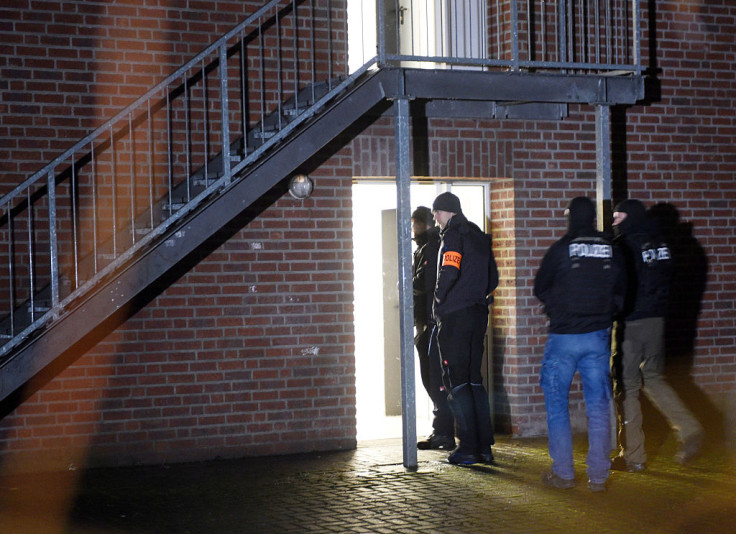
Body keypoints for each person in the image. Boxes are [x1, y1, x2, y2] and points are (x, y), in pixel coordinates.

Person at [534, 197, 626, 492]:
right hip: (598, 335)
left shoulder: (562, 248)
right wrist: (608, 311)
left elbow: (540, 286)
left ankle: (564, 473)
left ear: (571, 217)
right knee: (599, 407)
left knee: (557, 404)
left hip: (563, 336)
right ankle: (598, 477)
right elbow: (624, 288)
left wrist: (556, 308)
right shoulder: (611, 248)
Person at [610, 199, 703, 472]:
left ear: (630, 217)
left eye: (618, 216)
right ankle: (689, 428)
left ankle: (633, 455)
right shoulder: (661, 244)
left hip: (631, 323)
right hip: (657, 321)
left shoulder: (625, 245)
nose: (614, 221)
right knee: (652, 377)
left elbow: (618, 285)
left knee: (626, 387)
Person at [431, 192, 499, 465]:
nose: (434, 218)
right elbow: (492, 277)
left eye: (437, 212)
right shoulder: (479, 236)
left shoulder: (453, 236)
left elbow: (450, 270)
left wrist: (438, 298)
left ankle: (467, 447)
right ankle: (483, 446)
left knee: (457, 381)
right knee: (473, 380)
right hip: (477, 314)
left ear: (447, 211)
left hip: (456, 318)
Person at [411, 206, 455, 450]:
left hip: (431, 325)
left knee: (435, 380)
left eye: (416, 224)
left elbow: (425, 281)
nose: (413, 229)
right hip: (425, 324)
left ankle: (445, 432)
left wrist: (406, 281)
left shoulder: (431, 248)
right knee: (431, 380)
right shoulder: (424, 248)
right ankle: (442, 430)